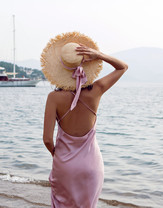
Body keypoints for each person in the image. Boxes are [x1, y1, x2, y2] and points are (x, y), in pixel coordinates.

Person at [41, 31, 128, 208]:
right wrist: (99, 55)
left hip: (65, 165)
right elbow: (123, 67)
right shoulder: (97, 90)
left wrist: (58, 156)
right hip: (91, 166)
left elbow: (47, 139)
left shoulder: (54, 98)